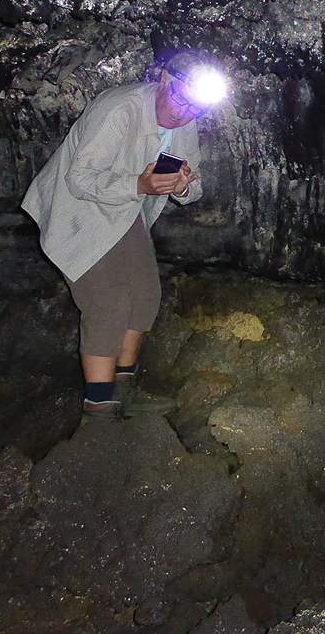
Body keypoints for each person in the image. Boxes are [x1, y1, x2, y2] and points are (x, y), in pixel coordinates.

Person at [22, 50, 221, 421]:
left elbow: (195, 187)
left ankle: (125, 391)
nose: (183, 111)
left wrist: (180, 188)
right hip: (75, 207)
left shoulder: (187, 120)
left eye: (195, 106)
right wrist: (140, 184)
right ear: (163, 79)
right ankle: (99, 408)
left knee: (145, 294)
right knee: (108, 301)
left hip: (123, 208)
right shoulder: (120, 109)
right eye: (179, 96)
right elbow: (79, 180)